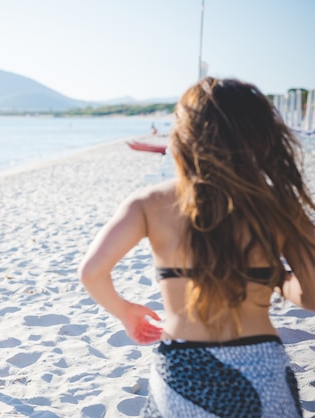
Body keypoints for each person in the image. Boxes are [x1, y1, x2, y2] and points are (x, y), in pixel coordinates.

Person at [78, 77, 315, 417]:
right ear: (261, 136)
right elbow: (312, 294)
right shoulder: (278, 203)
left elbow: (91, 273)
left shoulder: (149, 202)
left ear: (185, 135)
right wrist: (275, 277)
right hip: (261, 368)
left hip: (183, 371)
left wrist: (125, 310)